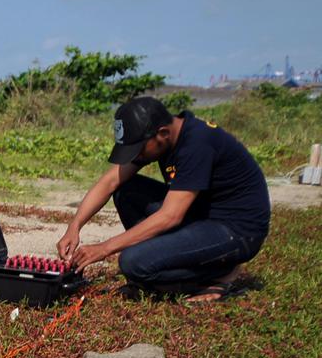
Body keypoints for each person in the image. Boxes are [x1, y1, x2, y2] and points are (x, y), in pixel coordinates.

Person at [57, 96, 270, 302]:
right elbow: (111, 181)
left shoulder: (197, 143)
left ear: (162, 133)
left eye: (137, 150)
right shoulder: (165, 138)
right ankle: (167, 259)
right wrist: (75, 226)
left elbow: (170, 216)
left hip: (236, 231)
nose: (135, 157)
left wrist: (104, 248)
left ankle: (219, 271)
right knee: (126, 190)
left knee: (132, 263)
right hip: (201, 216)